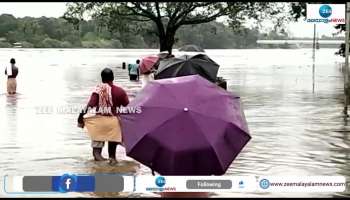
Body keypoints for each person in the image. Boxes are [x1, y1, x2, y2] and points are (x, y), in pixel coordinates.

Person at [77, 68, 129, 164]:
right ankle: (112, 167)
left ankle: (100, 169)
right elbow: (128, 107)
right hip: (114, 123)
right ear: (113, 77)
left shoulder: (98, 91)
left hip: (98, 123)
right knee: (112, 157)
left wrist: (80, 117)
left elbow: (89, 106)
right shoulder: (120, 91)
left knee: (97, 155)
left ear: (102, 78)